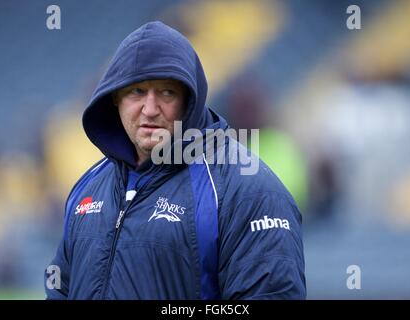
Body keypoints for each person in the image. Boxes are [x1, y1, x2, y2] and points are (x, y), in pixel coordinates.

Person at [45, 21, 306, 300]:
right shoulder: (89, 187)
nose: (150, 108)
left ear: (189, 100)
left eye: (167, 92)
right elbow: (61, 289)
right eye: (136, 91)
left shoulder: (247, 190)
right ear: (115, 98)